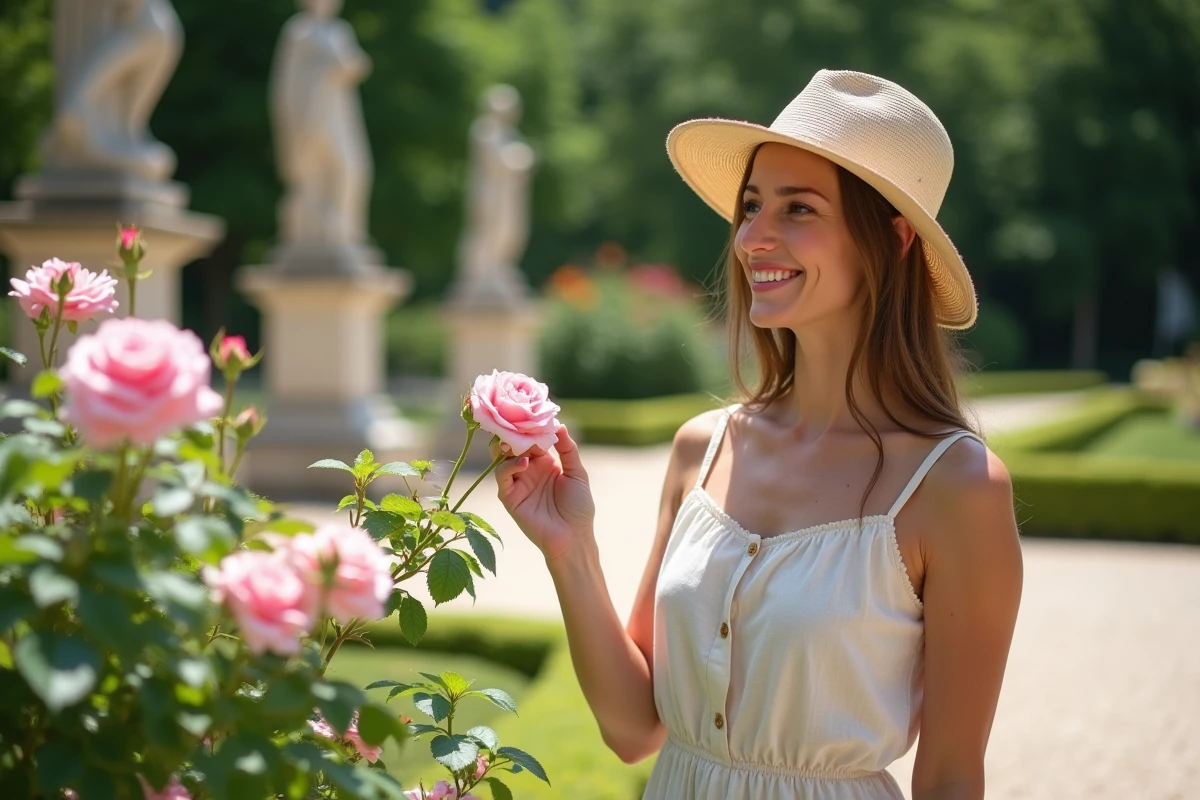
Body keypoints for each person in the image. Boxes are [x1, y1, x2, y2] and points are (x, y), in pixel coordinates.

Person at [493, 69, 1023, 800]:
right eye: (751, 206)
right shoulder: (701, 449)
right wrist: (569, 551)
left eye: (798, 208)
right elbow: (633, 728)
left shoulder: (956, 488)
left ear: (893, 239)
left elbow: (953, 777)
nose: (752, 237)